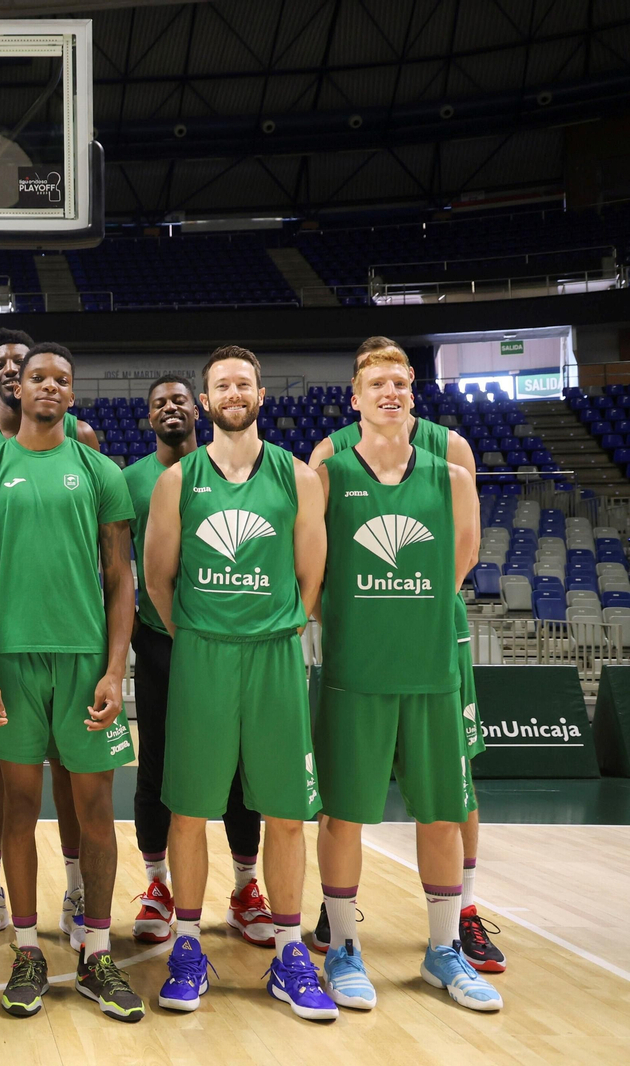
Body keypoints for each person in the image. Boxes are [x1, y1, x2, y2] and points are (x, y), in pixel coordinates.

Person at [144, 345, 337, 1021]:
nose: (233, 392)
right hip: (202, 655)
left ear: (260, 395)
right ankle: (188, 946)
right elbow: (158, 581)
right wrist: (201, 634)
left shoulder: (297, 477)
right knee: (188, 811)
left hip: (275, 656)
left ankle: (289, 952)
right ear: (206, 401)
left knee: (285, 813)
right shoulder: (178, 481)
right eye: (221, 385)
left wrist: (272, 625)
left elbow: (311, 578)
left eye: (243, 383)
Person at [0, 343, 145, 1022]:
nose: (47, 386)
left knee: (95, 810)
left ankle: (96, 952)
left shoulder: (101, 471)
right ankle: (29, 949)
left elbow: (120, 578)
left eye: (60, 379)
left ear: (71, 393)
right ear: (17, 387)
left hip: (85, 659)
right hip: (11, 660)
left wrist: (116, 667)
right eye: (37, 376)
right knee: (17, 806)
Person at [310, 344, 501, 1012]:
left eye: (399, 382)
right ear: (355, 398)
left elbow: (461, 561)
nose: (389, 392)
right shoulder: (329, 472)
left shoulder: (452, 475)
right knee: (341, 816)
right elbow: (313, 568)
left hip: (429, 671)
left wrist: (408, 613)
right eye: (376, 384)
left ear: (413, 393)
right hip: (354, 673)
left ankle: (443, 950)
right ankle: (342, 946)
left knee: (443, 814)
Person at [0, 327, 93, 951]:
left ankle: (77, 888)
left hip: (66, 633)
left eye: (22, 362)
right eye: (3, 364)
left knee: (67, 763)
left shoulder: (81, 439)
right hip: (0, 635)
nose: (12, 371)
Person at [123, 375, 270, 949]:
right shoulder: (133, 480)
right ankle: (158, 885)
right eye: (158, 402)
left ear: (198, 408)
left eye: (179, 399)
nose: (169, 408)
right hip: (162, 642)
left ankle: (245, 889)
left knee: (238, 765)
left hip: (230, 641)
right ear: (149, 417)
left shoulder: (230, 470)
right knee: (157, 764)